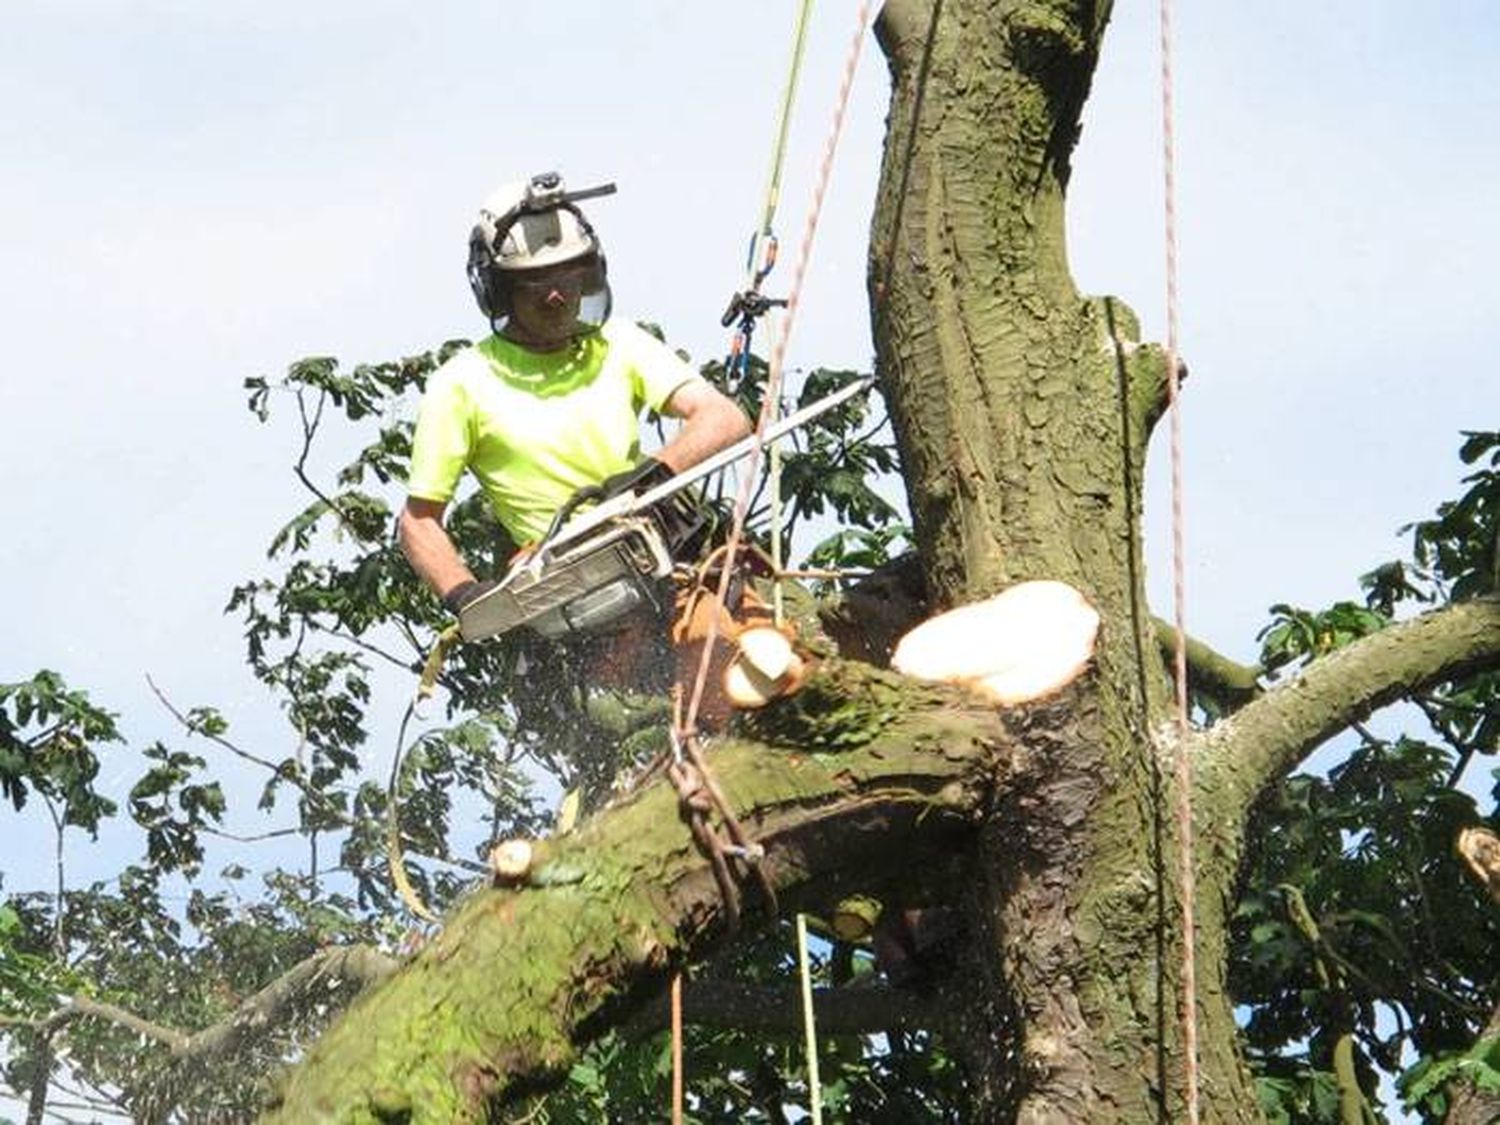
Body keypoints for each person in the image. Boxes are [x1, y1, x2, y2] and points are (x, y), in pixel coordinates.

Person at [398, 172, 750, 666]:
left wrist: (648, 478)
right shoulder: (462, 384)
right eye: (535, 283)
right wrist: (464, 594)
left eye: (569, 276)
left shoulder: (619, 344)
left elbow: (724, 417)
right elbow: (418, 521)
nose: (557, 295)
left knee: (758, 654)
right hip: (571, 586)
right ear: (499, 289)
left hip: (666, 549)